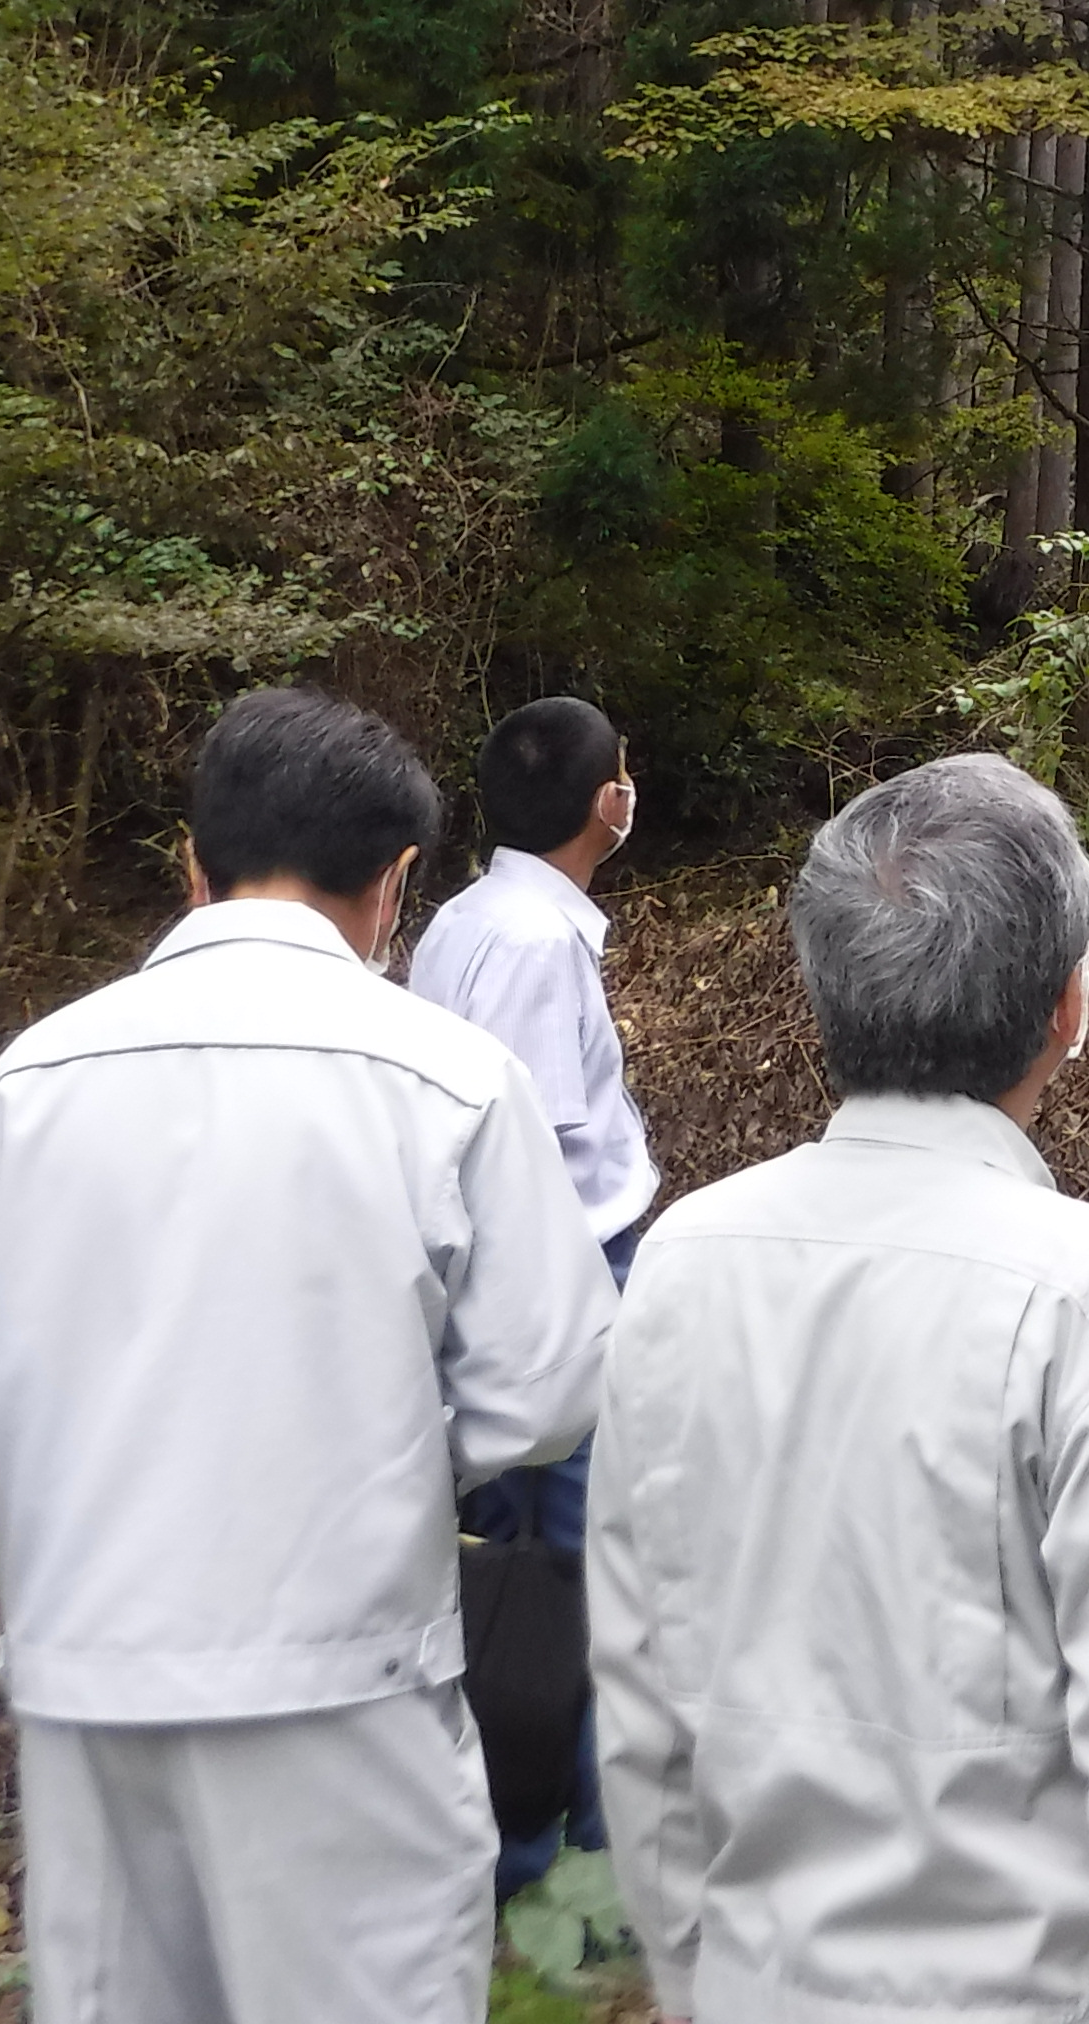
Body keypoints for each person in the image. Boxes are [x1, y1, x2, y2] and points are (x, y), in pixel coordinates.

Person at [0, 688, 615, 2024]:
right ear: (395, 884)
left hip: (88, 1676)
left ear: (191, 862)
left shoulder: (34, 1080)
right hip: (351, 1674)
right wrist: (381, 1446)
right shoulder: (445, 1080)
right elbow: (551, 1383)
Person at [587, 752, 1089, 2020]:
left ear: (824, 991)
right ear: (1068, 1005)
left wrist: (699, 1974)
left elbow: (643, 1707)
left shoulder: (681, 1265)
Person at [405, 693, 655, 1901]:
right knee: (583, 1565)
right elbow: (539, 1158)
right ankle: (564, 1861)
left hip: (493, 1284)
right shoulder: (535, 941)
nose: (631, 790)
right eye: (626, 776)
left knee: (509, 1567)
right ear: (605, 803)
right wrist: (553, 1325)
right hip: (561, 1279)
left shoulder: (466, 915)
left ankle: (503, 1841)